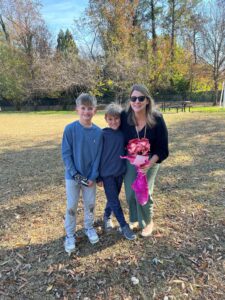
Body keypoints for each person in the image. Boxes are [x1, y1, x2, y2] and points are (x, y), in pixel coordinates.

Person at [120, 84, 169, 237]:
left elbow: (163, 148)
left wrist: (149, 163)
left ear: (147, 100)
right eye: (133, 98)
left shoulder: (157, 119)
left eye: (141, 98)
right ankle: (135, 218)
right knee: (129, 193)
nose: (137, 101)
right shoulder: (124, 117)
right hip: (131, 160)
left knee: (142, 192)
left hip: (150, 160)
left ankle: (148, 222)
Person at [62, 93, 103, 253]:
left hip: (90, 178)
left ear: (95, 111)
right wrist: (75, 174)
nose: (86, 112)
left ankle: (88, 227)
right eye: (83, 108)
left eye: (90, 108)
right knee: (71, 205)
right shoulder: (70, 129)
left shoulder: (98, 132)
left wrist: (92, 176)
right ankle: (70, 235)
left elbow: (98, 156)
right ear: (77, 109)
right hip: (72, 178)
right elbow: (66, 154)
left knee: (90, 204)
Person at [98, 103, 136, 240]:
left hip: (120, 173)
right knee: (114, 200)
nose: (114, 122)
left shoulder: (123, 134)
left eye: (117, 119)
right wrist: (98, 176)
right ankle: (124, 226)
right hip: (106, 174)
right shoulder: (102, 134)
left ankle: (106, 216)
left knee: (112, 197)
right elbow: (97, 156)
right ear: (106, 119)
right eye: (110, 119)